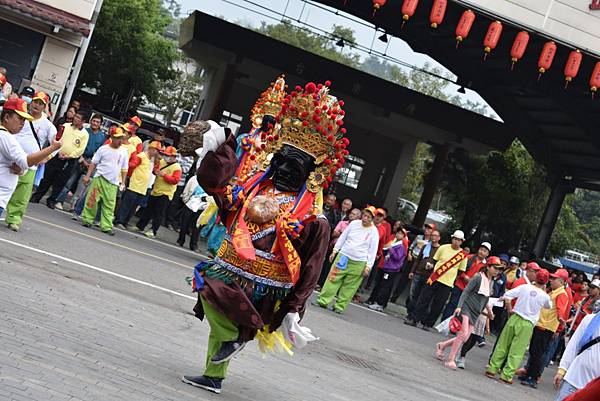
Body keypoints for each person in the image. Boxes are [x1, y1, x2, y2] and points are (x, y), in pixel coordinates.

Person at [183, 81, 342, 394]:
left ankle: (235, 340)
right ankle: (215, 374)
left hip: (266, 286)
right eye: (279, 160)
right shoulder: (256, 187)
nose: (282, 168)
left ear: (312, 172)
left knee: (214, 296)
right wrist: (220, 146)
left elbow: (311, 267)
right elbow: (223, 194)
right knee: (211, 296)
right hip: (230, 266)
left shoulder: (314, 219)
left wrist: (296, 307)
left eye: (293, 165)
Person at [485, 269, 552, 384]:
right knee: (517, 351)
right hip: (527, 324)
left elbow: (507, 295)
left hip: (515, 317)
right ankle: (506, 376)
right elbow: (548, 306)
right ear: (546, 282)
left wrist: (510, 309)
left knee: (503, 344)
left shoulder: (524, 287)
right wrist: (544, 291)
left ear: (536, 278)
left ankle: (492, 369)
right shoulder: (545, 296)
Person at [4, 92, 57, 231]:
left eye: (41, 104)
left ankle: (14, 219)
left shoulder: (48, 125)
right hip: (10, 158)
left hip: (30, 164)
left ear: (45, 106)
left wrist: (46, 158)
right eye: (35, 102)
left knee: (21, 195)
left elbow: (56, 145)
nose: (36, 105)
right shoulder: (21, 116)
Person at [436, 256, 500, 369]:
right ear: (488, 267)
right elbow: (466, 292)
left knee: (465, 338)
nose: (497, 270)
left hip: (476, 312)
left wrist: (489, 313)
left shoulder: (491, 282)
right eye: (495, 267)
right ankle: (451, 359)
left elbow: (485, 299)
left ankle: (443, 345)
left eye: (498, 268)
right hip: (466, 308)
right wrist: (459, 307)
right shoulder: (478, 277)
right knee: (462, 334)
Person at [315, 206, 379, 313]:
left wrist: (368, 266)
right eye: (364, 215)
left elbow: (373, 251)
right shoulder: (354, 224)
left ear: (372, 218)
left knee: (350, 286)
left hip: (359, 262)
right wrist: (335, 251)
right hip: (343, 256)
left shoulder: (373, 232)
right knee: (332, 279)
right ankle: (323, 301)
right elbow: (342, 237)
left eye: (368, 217)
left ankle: (339, 306)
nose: (365, 218)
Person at [405, 230, 468, 331]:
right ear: (452, 239)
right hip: (434, 278)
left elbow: (460, 272)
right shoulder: (443, 248)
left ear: (462, 242)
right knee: (423, 299)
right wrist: (431, 266)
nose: (456, 241)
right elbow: (434, 260)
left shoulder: (462, 256)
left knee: (438, 304)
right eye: (455, 239)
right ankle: (414, 319)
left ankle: (428, 323)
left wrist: (450, 277)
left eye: (459, 240)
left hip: (447, 283)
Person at [519, 268, 571, 388]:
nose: (551, 281)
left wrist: (559, 326)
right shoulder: (554, 292)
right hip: (541, 325)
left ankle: (533, 378)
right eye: (551, 278)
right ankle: (529, 374)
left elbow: (560, 311)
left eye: (554, 279)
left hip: (546, 327)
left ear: (562, 282)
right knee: (534, 351)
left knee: (538, 353)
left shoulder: (561, 294)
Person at [31, 110, 88, 208]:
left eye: (79, 118)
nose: (75, 119)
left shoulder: (84, 134)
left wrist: (69, 155)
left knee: (61, 181)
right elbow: (57, 138)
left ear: (83, 121)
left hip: (69, 160)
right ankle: (37, 195)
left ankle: (52, 200)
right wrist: (57, 150)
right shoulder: (65, 126)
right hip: (56, 155)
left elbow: (80, 150)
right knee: (47, 177)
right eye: (76, 116)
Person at [80, 127, 128, 235]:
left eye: (121, 138)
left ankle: (106, 226)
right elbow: (94, 163)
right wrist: (87, 176)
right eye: (117, 138)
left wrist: (123, 182)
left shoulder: (124, 151)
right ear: (111, 138)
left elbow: (125, 168)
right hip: (100, 178)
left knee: (110, 206)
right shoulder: (103, 149)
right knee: (92, 200)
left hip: (113, 183)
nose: (120, 141)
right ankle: (87, 220)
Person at [55, 113, 106, 210]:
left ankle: (73, 205)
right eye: (94, 121)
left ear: (100, 124)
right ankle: (59, 200)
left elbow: (99, 151)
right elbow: (78, 146)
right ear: (90, 121)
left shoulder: (102, 136)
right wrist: (81, 159)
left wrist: (91, 163)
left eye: (98, 122)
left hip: (90, 162)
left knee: (82, 186)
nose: (95, 123)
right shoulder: (84, 131)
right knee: (69, 181)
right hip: (78, 158)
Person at [553, 299, 600, 401]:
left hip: (594, 392)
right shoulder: (590, 320)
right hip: (573, 380)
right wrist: (562, 369)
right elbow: (573, 346)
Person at [134, 146, 181, 238]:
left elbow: (175, 180)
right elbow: (155, 170)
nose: (166, 157)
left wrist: (165, 176)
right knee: (148, 210)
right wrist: (156, 172)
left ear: (174, 157)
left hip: (166, 193)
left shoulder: (177, 167)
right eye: (166, 155)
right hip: (156, 189)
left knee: (158, 213)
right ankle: (140, 226)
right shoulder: (162, 162)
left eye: (168, 155)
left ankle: (153, 230)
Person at [114, 141, 162, 229]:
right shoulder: (142, 156)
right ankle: (119, 220)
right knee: (127, 205)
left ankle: (125, 221)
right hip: (134, 184)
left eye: (158, 151)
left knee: (133, 207)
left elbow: (155, 171)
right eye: (155, 150)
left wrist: (157, 162)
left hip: (143, 187)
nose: (156, 153)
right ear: (150, 149)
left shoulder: (152, 160)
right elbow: (132, 165)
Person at [441, 242, 491, 322]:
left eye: (485, 251)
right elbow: (459, 269)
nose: (482, 252)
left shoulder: (486, 266)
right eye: (481, 249)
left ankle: (455, 326)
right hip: (460, 285)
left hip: (471, 291)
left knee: (464, 308)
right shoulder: (469, 257)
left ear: (488, 254)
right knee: (453, 304)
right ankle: (444, 322)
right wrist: (465, 277)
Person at [317, 207, 362, 287]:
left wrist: (342, 233)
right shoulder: (342, 223)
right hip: (335, 247)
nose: (351, 215)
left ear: (358, 218)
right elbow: (334, 233)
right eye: (351, 213)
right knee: (327, 266)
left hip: (346, 252)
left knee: (339, 270)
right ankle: (321, 284)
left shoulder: (359, 228)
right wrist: (344, 235)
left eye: (354, 214)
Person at [368, 228, 407, 312]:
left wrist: (391, 249)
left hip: (392, 269)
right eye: (398, 233)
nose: (398, 235)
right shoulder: (394, 243)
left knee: (385, 286)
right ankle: (378, 302)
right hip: (387, 267)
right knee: (383, 285)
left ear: (403, 236)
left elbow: (397, 257)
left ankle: (380, 303)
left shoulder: (401, 246)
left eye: (401, 234)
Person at [405, 229, 441, 320]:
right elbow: (418, 259)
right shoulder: (425, 246)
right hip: (418, 272)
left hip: (429, 276)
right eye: (432, 235)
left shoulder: (440, 249)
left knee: (423, 297)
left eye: (436, 236)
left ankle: (416, 315)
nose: (434, 237)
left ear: (439, 238)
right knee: (413, 294)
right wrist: (412, 271)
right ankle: (410, 312)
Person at [176, 174, 207, 251]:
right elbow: (186, 190)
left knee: (197, 227)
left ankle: (193, 245)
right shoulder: (194, 178)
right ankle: (180, 240)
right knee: (184, 223)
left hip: (203, 206)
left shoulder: (214, 182)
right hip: (190, 204)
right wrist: (186, 200)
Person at [165, 151, 195, 231]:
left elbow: (185, 169)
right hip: (169, 180)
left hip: (179, 183)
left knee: (174, 203)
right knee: (165, 200)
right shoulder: (176, 152)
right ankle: (160, 218)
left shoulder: (190, 158)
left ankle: (168, 221)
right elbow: (168, 162)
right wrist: (177, 166)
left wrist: (175, 165)